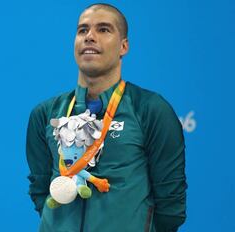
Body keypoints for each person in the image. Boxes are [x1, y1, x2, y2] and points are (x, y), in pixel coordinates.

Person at [26, 3, 187, 232]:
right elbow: (40, 189)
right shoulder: (45, 114)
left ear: (124, 46)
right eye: (83, 30)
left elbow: (171, 204)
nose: (89, 36)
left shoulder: (150, 109)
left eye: (103, 29)